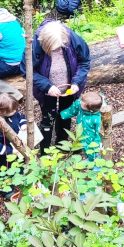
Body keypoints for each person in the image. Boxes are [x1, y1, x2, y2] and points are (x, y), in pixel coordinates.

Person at [22, 19, 90, 155]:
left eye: (61, 46)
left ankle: (62, 145)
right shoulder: (35, 44)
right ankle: (45, 152)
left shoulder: (71, 38)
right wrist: (47, 86)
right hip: (47, 90)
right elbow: (27, 71)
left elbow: (84, 61)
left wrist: (77, 82)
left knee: (65, 115)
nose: (58, 50)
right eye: (54, 48)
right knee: (48, 117)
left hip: (69, 88)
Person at [0, 93, 27, 169]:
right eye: (12, 110)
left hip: (19, 146)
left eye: (15, 109)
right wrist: (10, 151)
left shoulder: (14, 113)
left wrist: (23, 123)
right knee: (10, 168)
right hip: (8, 156)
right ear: (1, 112)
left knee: (22, 164)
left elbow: (20, 116)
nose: (15, 111)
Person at [60, 91, 103, 161]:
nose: (80, 103)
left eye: (82, 104)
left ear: (90, 110)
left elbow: (99, 133)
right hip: (82, 133)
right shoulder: (81, 104)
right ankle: (89, 159)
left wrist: (96, 143)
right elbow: (72, 110)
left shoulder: (97, 119)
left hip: (91, 137)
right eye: (81, 101)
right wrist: (62, 115)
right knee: (84, 147)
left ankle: (96, 163)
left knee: (92, 150)